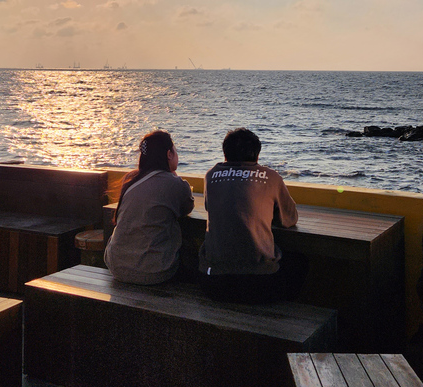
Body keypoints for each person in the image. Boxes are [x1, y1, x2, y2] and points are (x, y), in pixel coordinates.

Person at [198, 128, 306, 304]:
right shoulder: (271, 177)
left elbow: (211, 207)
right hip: (258, 286)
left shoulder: (211, 175)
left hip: (213, 283)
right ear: (257, 156)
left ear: (225, 155)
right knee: (300, 261)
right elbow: (290, 219)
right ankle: (278, 321)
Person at [104, 130, 195, 285]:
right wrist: (173, 175)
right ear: (169, 154)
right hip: (154, 272)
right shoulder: (176, 184)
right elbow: (186, 208)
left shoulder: (130, 180)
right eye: (175, 150)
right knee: (188, 247)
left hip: (116, 267)